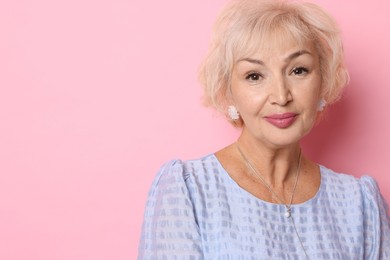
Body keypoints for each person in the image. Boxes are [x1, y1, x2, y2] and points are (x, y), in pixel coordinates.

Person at [138, 0, 390, 259]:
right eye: (254, 76)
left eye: (298, 70)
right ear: (228, 90)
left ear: (323, 80)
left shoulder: (359, 204)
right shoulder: (189, 190)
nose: (281, 96)